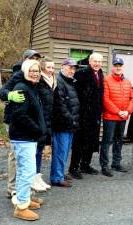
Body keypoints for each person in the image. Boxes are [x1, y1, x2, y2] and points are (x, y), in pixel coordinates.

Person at [0, 50, 42, 197]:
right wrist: (9, 95)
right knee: (15, 156)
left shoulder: (37, 76)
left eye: (37, 59)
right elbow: (2, 91)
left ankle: (26, 190)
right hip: (14, 120)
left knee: (26, 160)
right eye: (32, 58)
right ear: (25, 60)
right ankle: (13, 189)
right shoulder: (18, 74)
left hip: (29, 122)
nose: (34, 60)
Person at [9, 60, 45, 221]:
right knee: (27, 172)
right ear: (24, 71)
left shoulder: (31, 87)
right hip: (23, 138)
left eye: (37, 70)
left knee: (25, 171)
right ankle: (21, 207)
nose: (35, 73)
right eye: (31, 70)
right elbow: (19, 115)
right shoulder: (22, 88)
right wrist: (36, 129)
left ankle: (24, 199)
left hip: (28, 138)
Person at [69, 53, 104, 179]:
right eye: (95, 61)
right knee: (79, 142)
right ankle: (73, 168)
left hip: (95, 114)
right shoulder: (82, 73)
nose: (97, 63)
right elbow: (77, 94)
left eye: (99, 61)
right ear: (90, 61)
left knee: (91, 141)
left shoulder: (100, 74)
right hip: (83, 114)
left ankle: (85, 165)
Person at [100, 58, 133, 176]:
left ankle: (116, 163)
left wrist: (128, 111)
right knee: (107, 141)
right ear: (112, 67)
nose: (118, 67)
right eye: (116, 65)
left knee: (119, 141)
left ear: (122, 67)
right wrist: (118, 111)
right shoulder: (106, 80)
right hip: (110, 117)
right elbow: (106, 99)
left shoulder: (127, 82)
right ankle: (104, 166)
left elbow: (132, 98)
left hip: (123, 117)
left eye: (120, 65)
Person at [50, 59, 80, 187]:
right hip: (62, 124)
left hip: (70, 124)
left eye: (74, 69)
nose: (72, 71)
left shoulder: (70, 82)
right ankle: (57, 177)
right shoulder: (60, 82)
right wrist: (71, 120)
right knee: (60, 152)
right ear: (63, 67)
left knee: (64, 151)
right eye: (70, 68)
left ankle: (60, 173)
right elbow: (60, 105)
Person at [31, 58, 56, 191]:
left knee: (40, 150)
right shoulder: (39, 82)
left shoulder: (53, 81)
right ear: (42, 68)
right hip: (40, 120)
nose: (51, 70)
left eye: (53, 68)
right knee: (35, 151)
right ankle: (32, 179)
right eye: (48, 67)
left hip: (48, 120)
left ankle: (38, 176)